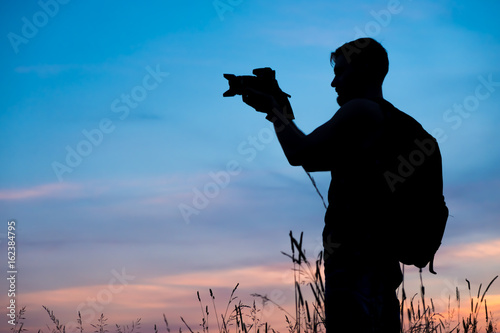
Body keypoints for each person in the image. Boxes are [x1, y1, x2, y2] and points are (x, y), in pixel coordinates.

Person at [240, 38, 423, 332]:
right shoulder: (390, 121)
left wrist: (274, 110)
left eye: (340, 72)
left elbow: (300, 154)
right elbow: (312, 157)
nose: (333, 82)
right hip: (378, 264)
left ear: (363, 70)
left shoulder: (361, 110)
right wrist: (279, 107)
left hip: (355, 264)